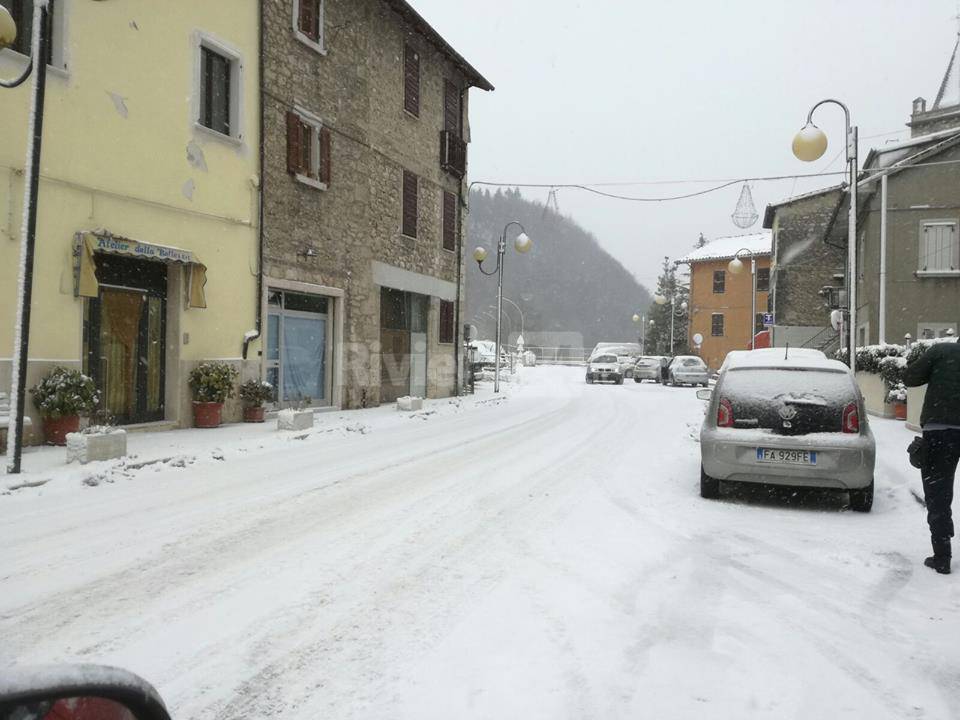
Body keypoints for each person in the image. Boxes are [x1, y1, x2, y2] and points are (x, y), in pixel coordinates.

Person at [903, 338, 960, 575]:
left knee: (938, 492)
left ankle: (942, 556)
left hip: (940, 430)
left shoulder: (941, 351)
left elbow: (911, 378)